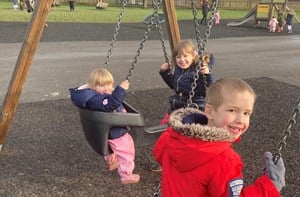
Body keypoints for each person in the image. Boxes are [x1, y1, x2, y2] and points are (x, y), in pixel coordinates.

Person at [153, 77, 286, 196]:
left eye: (246, 113)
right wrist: (270, 186)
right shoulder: (225, 161)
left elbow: (159, 155)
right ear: (209, 111)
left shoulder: (171, 137)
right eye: (232, 110)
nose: (241, 119)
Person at [149, 40, 214, 172]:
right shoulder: (179, 70)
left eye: (185, 56)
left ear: (193, 56)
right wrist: (164, 72)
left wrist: (207, 75)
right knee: (164, 133)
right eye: (178, 57)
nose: (182, 60)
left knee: (188, 139)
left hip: (192, 109)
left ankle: (192, 162)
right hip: (176, 107)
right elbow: (174, 85)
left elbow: (206, 89)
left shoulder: (198, 70)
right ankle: (164, 160)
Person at [69, 68, 140, 184]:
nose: (107, 88)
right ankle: (126, 175)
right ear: (92, 87)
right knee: (127, 151)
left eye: (109, 85)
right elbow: (111, 104)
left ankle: (112, 161)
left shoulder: (92, 97)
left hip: (107, 131)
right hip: (116, 131)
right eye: (102, 86)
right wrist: (121, 90)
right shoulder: (97, 100)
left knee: (113, 149)